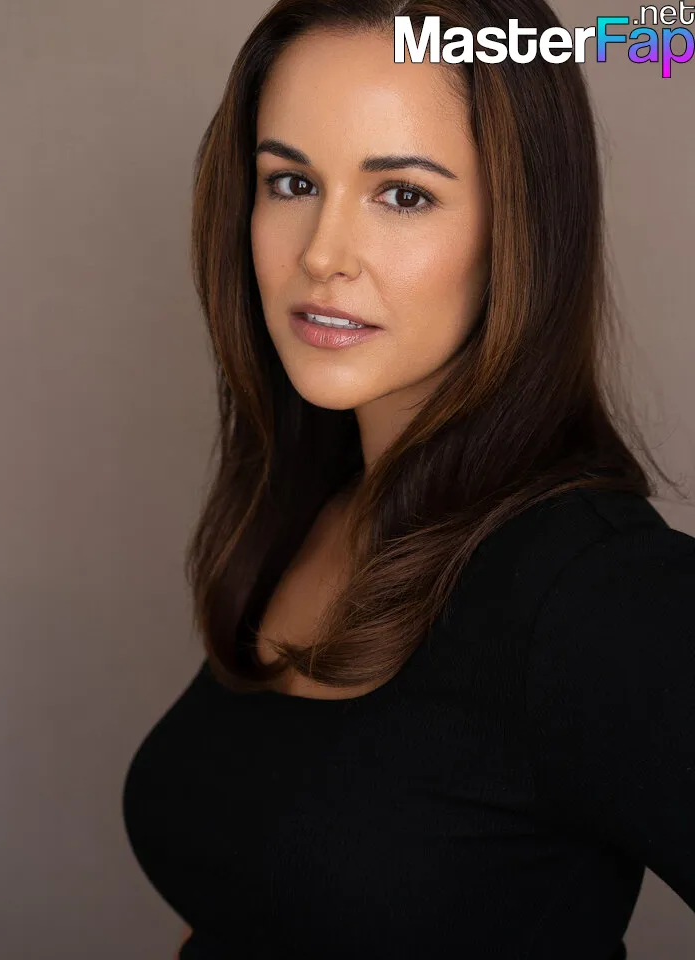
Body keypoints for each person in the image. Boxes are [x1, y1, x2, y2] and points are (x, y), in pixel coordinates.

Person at [121, 0, 695, 957]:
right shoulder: (314, 507)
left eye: (404, 195)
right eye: (291, 181)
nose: (321, 255)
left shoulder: (602, 597)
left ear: (522, 227)